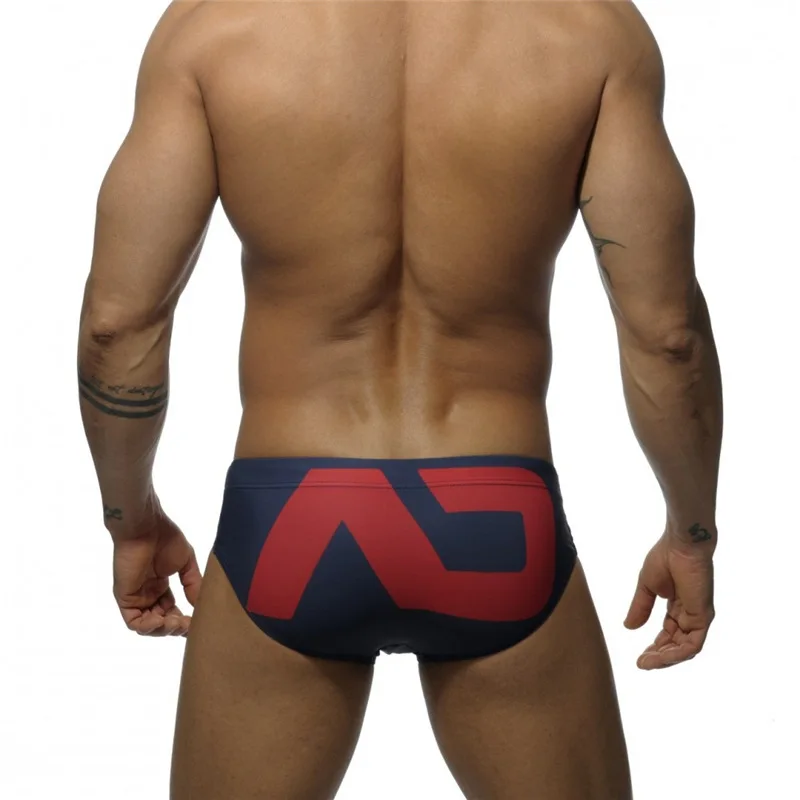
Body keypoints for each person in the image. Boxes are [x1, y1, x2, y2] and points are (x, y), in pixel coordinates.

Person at [76, 1, 722, 797]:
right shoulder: (590, 28)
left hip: (295, 524)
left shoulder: (216, 26)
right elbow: (667, 334)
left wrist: (132, 519)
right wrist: (691, 533)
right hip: (495, 523)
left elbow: (118, 323)